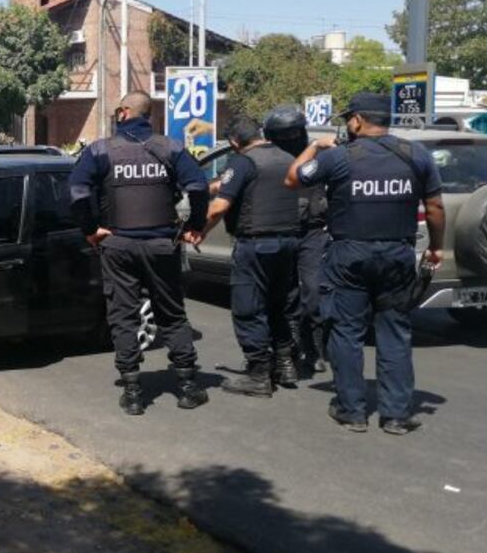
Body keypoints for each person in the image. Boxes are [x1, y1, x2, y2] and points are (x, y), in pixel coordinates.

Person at [285, 92, 445, 435]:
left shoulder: (340, 157)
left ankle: (351, 410)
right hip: (398, 255)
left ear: (357, 120)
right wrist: (436, 247)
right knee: (395, 333)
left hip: (349, 255)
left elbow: (293, 178)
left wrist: (315, 147)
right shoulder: (416, 154)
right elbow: (435, 208)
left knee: (346, 331)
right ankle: (396, 415)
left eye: (348, 119)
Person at [69, 90, 210, 415]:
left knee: (123, 315)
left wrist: (90, 229)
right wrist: (196, 225)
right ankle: (188, 385)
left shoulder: (100, 150)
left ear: (122, 113)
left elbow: (77, 192)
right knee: (172, 313)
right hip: (162, 244)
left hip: (118, 243)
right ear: (148, 115)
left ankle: (132, 390)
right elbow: (199, 186)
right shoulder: (171, 148)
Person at [202, 116, 300, 396]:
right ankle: (285, 364)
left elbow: (218, 208)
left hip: (256, 244)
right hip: (288, 242)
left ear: (234, 142)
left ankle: (258, 374)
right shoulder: (285, 156)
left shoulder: (243, 161)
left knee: (249, 308)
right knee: (278, 305)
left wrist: (200, 231)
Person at [263, 104, 329, 376]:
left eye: (294, 133)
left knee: (313, 293)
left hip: (313, 231)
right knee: (284, 295)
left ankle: (315, 349)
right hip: (280, 231)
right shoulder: (270, 158)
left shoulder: (319, 155)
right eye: (283, 135)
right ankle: (287, 349)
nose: (289, 139)